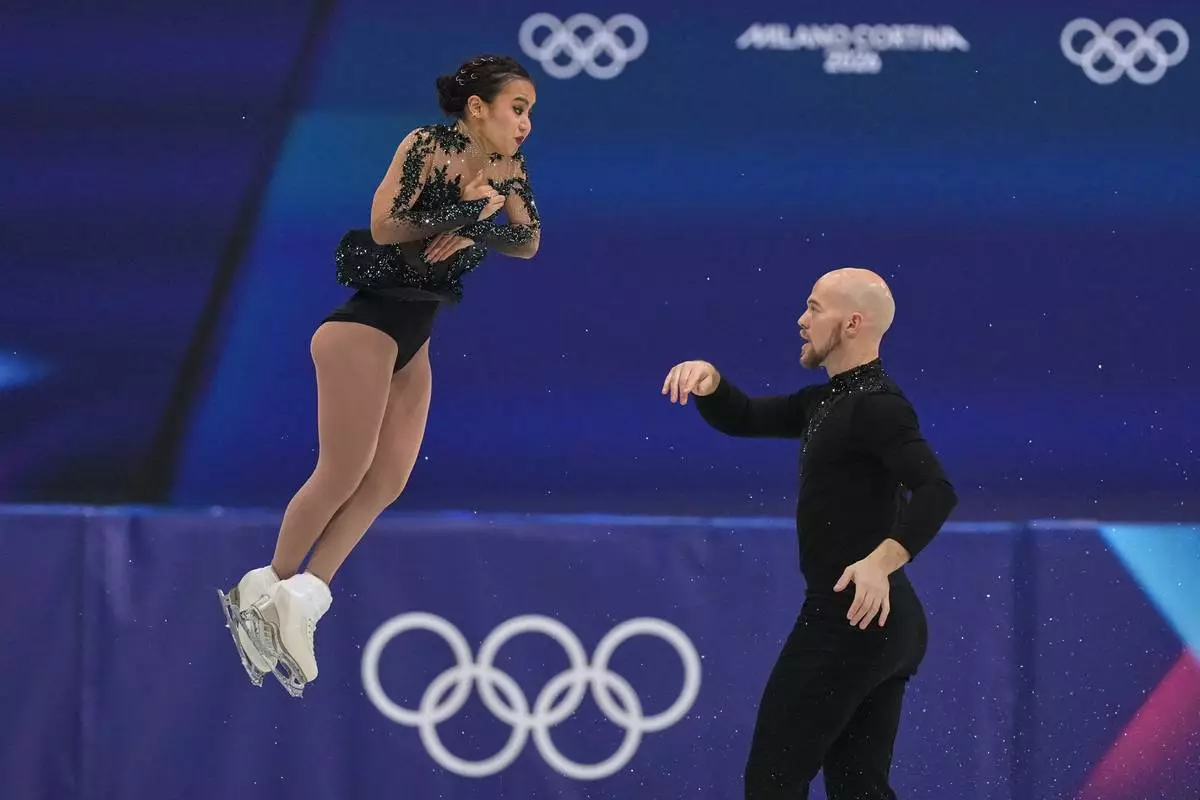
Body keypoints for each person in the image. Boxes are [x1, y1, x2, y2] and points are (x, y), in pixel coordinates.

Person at [217, 54, 541, 698]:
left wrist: (481, 225)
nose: (526, 124)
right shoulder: (428, 144)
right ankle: (265, 587)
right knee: (343, 470)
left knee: (387, 480)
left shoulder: (509, 168)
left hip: (412, 342)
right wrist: (458, 215)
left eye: (530, 112)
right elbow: (385, 225)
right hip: (361, 331)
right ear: (477, 107)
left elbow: (528, 239)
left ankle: (303, 600)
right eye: (518, 108)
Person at [661, 268, 957, 799]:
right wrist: (710, 381)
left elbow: (936, 490)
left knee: (772, 782)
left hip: (849, 619)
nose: (801, 320)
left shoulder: (877, 406)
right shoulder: (829, 402)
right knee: (857, 787)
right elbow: (746, 416)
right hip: (883, 624)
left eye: (815, 308)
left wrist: (880, 561)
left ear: (852, 323)